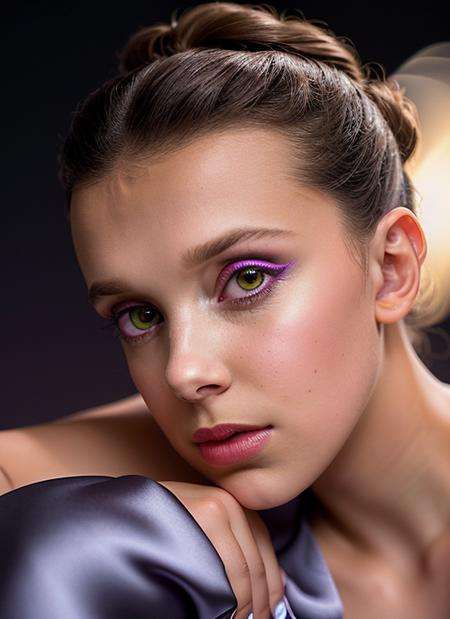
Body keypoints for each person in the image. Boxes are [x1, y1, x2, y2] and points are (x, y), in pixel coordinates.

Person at [1, 3, 449, 618]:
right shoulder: (191, 468)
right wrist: (112, 520)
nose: (185, 372)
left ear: (391, 267)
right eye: (139, 315)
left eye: (247, 278)